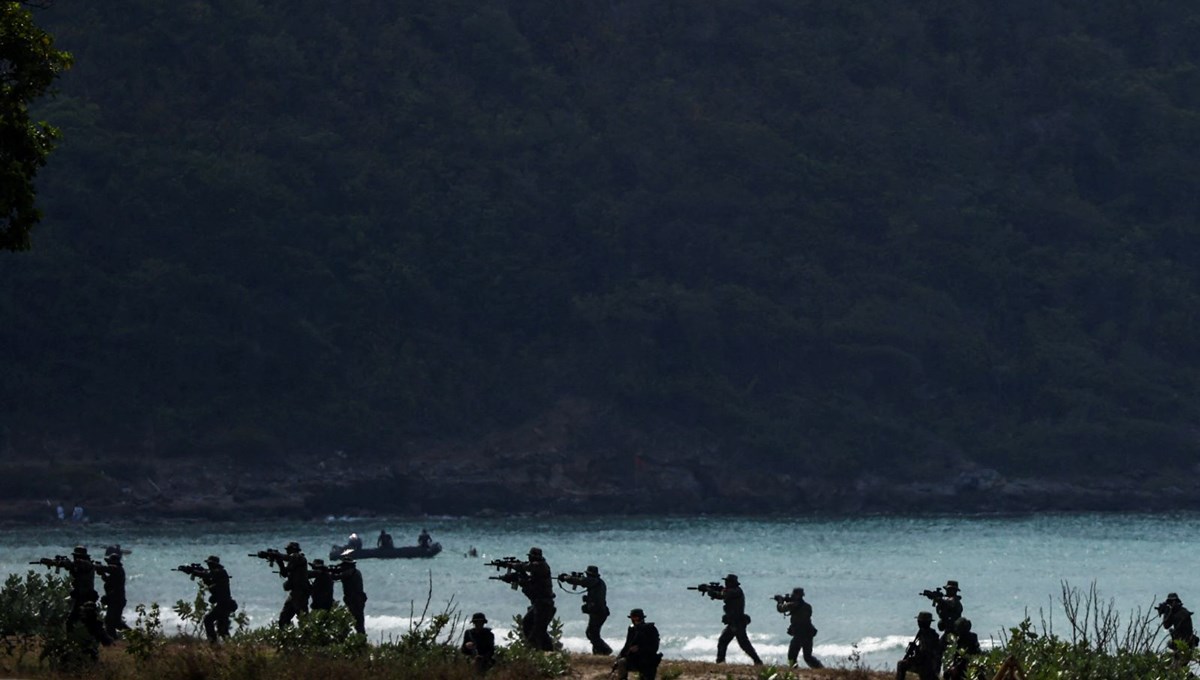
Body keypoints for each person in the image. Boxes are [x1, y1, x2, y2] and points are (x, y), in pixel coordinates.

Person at [708, 573, 763, 665]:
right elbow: (723, 593)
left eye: (727, 582)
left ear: (732, 583)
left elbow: (722, 595)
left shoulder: (736, 591)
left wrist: (711, 591)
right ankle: (720, 661)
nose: (726, 583)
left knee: (744, 644)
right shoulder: (731, 590)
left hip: (737, 622)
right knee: (723, 641)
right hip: (733, 622)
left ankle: (757, 661)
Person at [559, 565, 612, 654]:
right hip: (599, 612)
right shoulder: (598, 582)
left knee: (592, 634)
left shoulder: (593, 581)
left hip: (598, 612)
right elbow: (582, 581)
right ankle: (600, 651)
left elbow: (580, 581)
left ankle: (604, 651)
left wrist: (565, 578)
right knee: (591, 633)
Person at [511, 546, 556, 650]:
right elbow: (528, 583)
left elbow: (527, 567)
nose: (530, 559)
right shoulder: (537, 568)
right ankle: (542, 651)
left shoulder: (541, 566)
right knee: (528, 625)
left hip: (544, 604)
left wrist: (515, 566)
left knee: (537, 632)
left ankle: (544, 651)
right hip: (539, 604)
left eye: (531, 557)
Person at [776, 587, 823, 669]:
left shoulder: (793, 605)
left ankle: (794, 671)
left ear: (797, 595)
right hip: (808, 633)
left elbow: (780, 609)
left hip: (799, 634)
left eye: (794, 594)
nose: (792, 596)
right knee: (808, 657)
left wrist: (780, 601)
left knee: (791, 656)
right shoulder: (807, 606)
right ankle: (820, 669)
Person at [197, 555, 238, 642]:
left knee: (208, 620)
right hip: (223, 604)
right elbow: (213, 587)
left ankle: (213, 643)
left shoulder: (221, 572)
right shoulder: (216, 574)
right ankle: (226, 646)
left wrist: (199, 573)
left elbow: (209, 576)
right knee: (222, 629)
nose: (209, 566)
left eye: (210, 564)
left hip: (224, 604)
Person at [613, 608, 662, 680]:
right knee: (622, 662)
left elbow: (654, 647)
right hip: (634, 659)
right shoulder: (632, 629)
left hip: (647, 660)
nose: (634, 620)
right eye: (633, 618)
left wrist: (640, 648)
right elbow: (627, 645)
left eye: (636, 617)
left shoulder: (650, 628)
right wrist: (619, 657)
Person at [896, 611, 943, 680]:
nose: (918, 623)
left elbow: (924, 654)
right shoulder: (927, 633)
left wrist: (914, 652)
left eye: (919, 621)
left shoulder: (927, 635)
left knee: (901, 665)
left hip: (927, 665)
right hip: (929, 665)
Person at [95, 551, 129, 638]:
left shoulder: (117, 569)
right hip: (115, 599)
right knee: (116, 622)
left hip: (117, 600)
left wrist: (100, 567)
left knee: (110, 621)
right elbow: (108, 580)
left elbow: (109, 568)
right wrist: (101, 572)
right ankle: (132, 635)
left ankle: (112, 638)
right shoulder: (115, 572)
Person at [65, 545, 100, 629]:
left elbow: (78, 564)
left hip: (85, 596)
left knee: (72, 620)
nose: (74, 558)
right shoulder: (80, 566)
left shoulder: (86, 564)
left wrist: (69, 564)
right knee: (81, 619)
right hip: (81, 595)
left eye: (76, 556)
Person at [277, 541, 310, 626]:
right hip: (294, 593)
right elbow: (285, 573)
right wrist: (279, 562)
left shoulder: (299, 558)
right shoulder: (292, 561)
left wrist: (278, 555)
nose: (287, 552)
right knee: (283, 618)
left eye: (289, 550)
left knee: (303, 618)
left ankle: (308, 636)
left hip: (301, 592)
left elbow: (290, 557)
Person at [334, 557, 367, 634]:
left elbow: (336, 577)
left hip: (355, 600)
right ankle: (361, 638)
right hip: (357, 599)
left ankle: (361, 639)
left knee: (358, 621)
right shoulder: (355, 572)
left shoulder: (350, 572)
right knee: (358, 621)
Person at [1159, 593, 1198, 659]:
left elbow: (1170, 623)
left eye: (1173, 602)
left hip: (1185, 643)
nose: (1171, 604)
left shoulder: (1182, 613)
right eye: (1170, 602)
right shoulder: (1176, 612)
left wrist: (1168, 612)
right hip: (1180, 642)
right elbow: (1166, 625)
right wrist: (1166, 612)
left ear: (1176, 602)